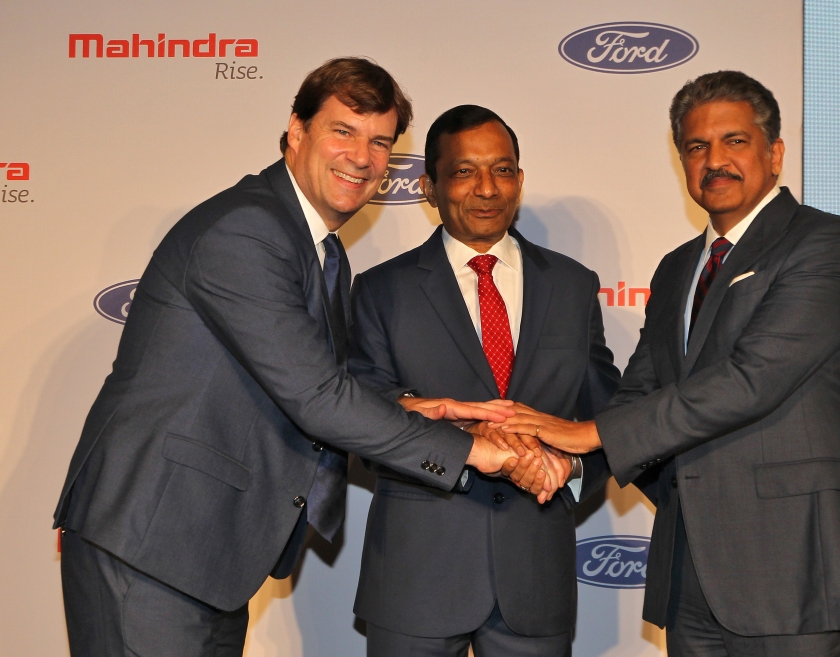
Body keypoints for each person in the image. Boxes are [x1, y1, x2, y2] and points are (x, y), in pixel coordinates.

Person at [52, 58, 530, 657]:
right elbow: (318, 398)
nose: (362, 157)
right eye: (343, 131)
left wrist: (417, 409)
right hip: (150, 542)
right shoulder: (247, 230)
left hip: (205, 553)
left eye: (380, 142)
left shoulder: (322, 251)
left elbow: (309, 379)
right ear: (296, 131)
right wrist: (477, 452)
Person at [501, 71, 840, 656]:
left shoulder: (823, 243)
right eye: (696, 146)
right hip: (688, 569)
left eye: (735, 141)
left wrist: (589, 433)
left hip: (795, 570)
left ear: (775, 154)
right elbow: (639, 391)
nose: (715, 160)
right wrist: (568, 462)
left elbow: (751, 380)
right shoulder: (677, 267)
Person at [348, 104, 620, 657]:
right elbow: (363, 416)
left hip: (534, 578)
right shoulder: (380, 289)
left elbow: (610, 417)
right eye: (464, 171)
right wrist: (468, 444)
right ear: (429, 186)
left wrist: (567, 468)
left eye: (502, 170)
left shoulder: (572, 285)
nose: (488, 189)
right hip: (416, 576)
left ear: (520, 179)